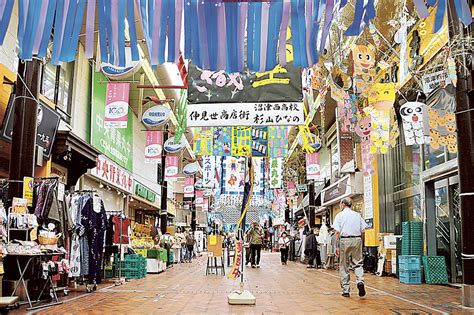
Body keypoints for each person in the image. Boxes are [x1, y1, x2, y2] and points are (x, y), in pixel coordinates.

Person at [334, 197, 367, 298]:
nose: (340, 206)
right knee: (358, 263)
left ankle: (346, 290)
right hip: (357, 239)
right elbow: (363, 230)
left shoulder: (339, 215)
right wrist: (361, 242)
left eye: (340, 204)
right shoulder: (357, 215)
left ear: (343, 204)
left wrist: (336, 246)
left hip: (345, 240)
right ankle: (360, 281)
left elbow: (336, 232)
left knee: (344, 265)